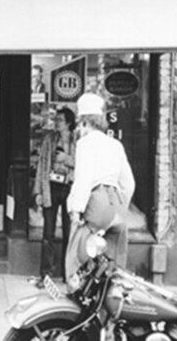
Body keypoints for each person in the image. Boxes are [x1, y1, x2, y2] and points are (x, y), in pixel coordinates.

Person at [65, 93, 135, 277]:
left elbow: (84, 179)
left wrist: (76, 210)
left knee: (77, 256)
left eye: (80, 124)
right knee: (114, 262)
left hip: (97, 202)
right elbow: (129, 183)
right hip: (117, 203)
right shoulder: (115, 145)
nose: (78, 129)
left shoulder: (85, 144)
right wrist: (121, 208)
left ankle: (77, 299)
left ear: (85, 122)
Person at [31, 107, 76, 287]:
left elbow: (83, 165)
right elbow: (42, 166)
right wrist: (38, 192)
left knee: (69, 232)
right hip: (51, 187)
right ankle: (46, 274)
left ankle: (68, 273)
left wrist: (66, 158)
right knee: (48, 233)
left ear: (69, 123)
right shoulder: (49, 139)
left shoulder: (77, 141)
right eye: (55, 119)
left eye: (60, 120)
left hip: (69, 188)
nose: (56, 123)